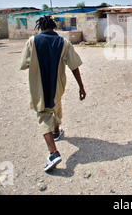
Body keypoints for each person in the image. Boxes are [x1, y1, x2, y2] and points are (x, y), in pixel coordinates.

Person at [20, 15, 86, 172]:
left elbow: (24, 64)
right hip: (58, 86)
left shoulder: (32, 41)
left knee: (44, 113)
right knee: (55, 104)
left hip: (39, 86)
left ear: (41, 27)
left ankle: (53, 153)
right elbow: (74, 66)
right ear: (53, 27)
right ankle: (56, 130)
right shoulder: (64, 43)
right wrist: (81, 87)